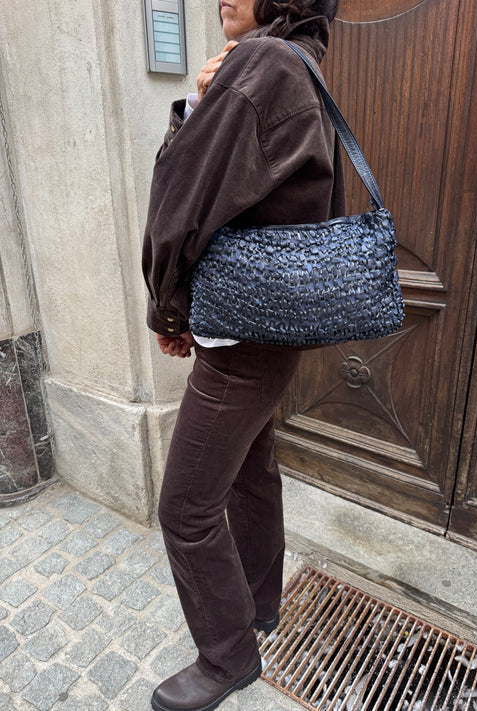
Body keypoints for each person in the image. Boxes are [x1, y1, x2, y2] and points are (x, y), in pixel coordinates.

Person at [142, 1, 342, 709]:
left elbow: (182, 198)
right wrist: (206, 100)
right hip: (263, 326)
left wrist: (168, 307)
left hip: (242, 333)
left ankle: (227, 656)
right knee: (251, 470)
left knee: (184, 508)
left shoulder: (262, 62)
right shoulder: (299, 61)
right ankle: (258, 603)